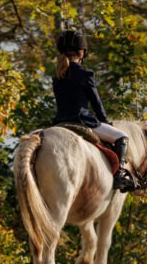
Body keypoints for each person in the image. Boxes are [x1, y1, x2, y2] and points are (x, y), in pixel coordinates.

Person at [51, 29, 136, 192]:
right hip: (83, 121)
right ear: (81, 52)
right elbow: (96, 103)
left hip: (60, 122)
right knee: (122, 137)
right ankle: (118, 176)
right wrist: (106, 122)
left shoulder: (57, 76)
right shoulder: (85, 73)